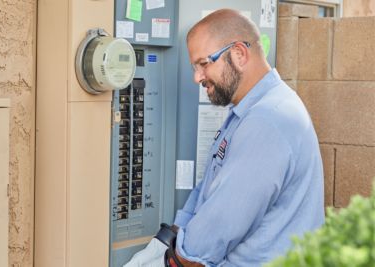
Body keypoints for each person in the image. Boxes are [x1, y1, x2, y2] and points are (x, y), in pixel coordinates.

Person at [125, 9, 324, 267]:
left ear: (239, 54)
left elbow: (218, 228)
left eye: (204, 64)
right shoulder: (244, 113)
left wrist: (169, 261)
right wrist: (167, 238)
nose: (197, 77)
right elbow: (206, 192)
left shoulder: (268, 120)